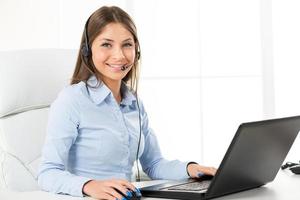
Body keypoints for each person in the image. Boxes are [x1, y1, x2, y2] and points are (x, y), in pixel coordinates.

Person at [38, 5, 217, 200]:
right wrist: (89, 186)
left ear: (136, 51)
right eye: (106, 44)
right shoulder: (72, 100)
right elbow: (48, 173)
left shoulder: (134, 103)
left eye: (127, 44)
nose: (119, 55)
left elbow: (154, 164)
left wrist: (191, 168)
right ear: (88, 50)